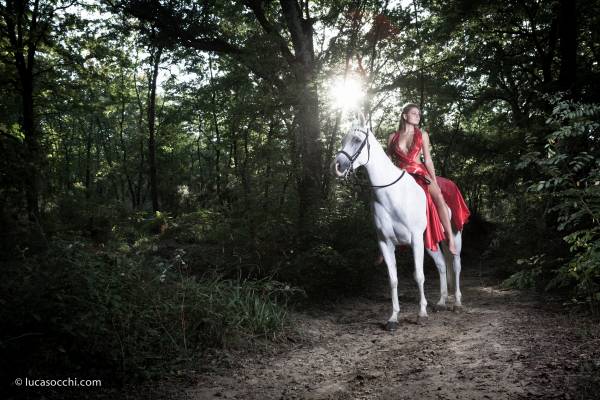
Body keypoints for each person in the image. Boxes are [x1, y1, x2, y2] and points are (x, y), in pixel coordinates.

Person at [383, 103, 469, 257]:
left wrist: (434, 180)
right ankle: (384, 246)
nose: (418, 116)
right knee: (383, 201)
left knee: (439, 197)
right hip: (401, 175)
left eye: (419, 114)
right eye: (414, 113)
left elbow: (428, 160)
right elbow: (388, 161)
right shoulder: (392, 137)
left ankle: (449, 237)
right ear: (405, 116)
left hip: (420, 172)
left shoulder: (422, 134)